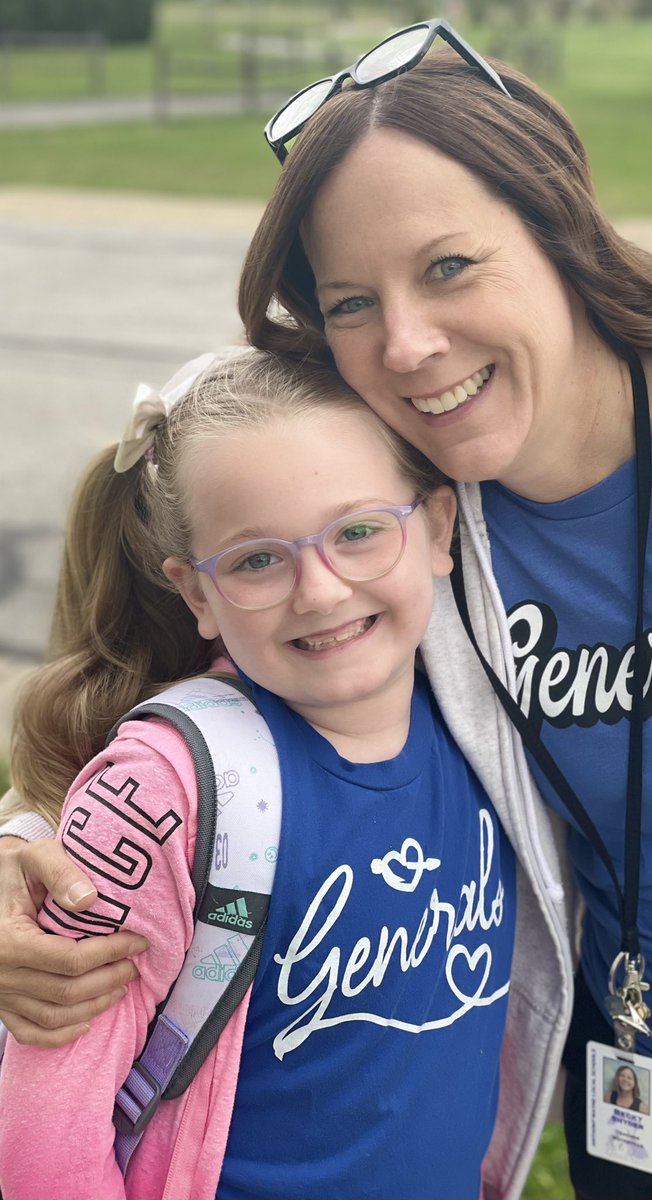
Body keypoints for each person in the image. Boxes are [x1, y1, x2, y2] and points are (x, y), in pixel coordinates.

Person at [0, 16, 652, 1200]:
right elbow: (169, 627)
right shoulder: (394, 508)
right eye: (351, 301)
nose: (408, 345)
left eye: (450, 266)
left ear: (560, 234)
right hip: (636, 1106)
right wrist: (28, 846)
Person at [0, 346, 530, 1200]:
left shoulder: (489, 728)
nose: (319, 592)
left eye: (359, 531)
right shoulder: (170, 791)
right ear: (196, 595)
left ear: (436, 528)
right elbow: (44, 1132)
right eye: (256, 560)